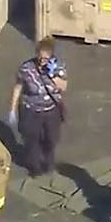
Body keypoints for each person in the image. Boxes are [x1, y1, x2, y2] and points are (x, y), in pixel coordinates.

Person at [9, 36, 67, 177]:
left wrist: (52, 74)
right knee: (31, 140)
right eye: (40, 57)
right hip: (31, 110)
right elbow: (18, 87)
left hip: (51, 110)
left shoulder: (58, 67)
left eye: (46, 59)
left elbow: (63, 87)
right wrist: (12, 109)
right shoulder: (26, 68)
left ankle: (48, 162)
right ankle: (34, 167)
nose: (42, 61)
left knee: (51, 139)